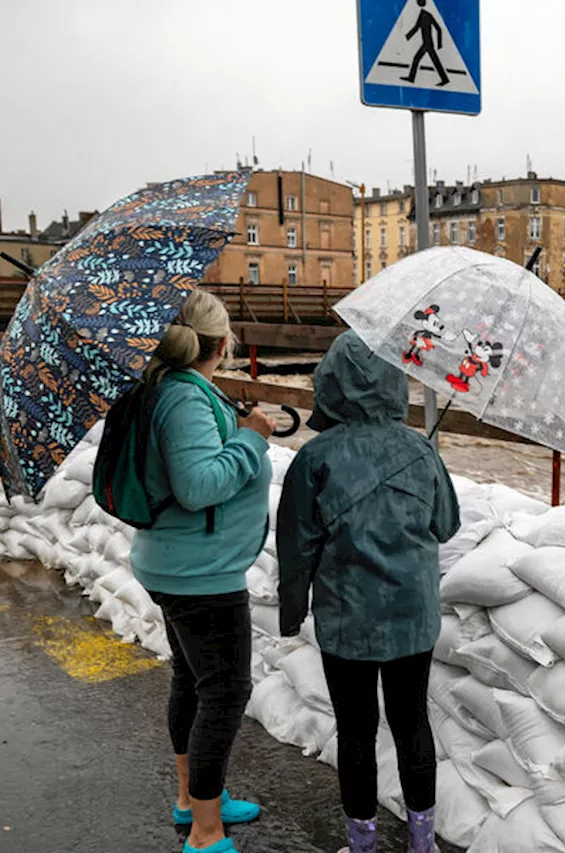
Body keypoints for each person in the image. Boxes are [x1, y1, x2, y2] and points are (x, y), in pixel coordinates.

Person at [277, 331, 460, 853]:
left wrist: (292, 616)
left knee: (356, 733)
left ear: (329, 386)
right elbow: (445, 524)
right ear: (393, 386)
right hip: (413, 618)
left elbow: (296, 550)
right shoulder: (420, 451)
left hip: (346, 622)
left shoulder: (315, 459)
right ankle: (423, 845)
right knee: (412, 726)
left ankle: (362, 845)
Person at [130, 289, 275, 853]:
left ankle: (194, 800)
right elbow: (197, 487)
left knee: (192, 682)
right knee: (225, 691)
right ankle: (206, 833)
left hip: (178, 563)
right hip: (200, 574)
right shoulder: (184, 399)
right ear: (219, 344)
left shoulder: (169, 387)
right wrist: (251, 441)